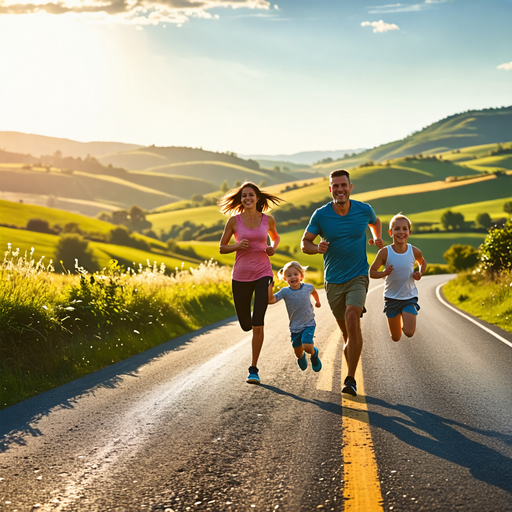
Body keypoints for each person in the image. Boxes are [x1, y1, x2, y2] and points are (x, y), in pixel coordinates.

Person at [301, 169, 384, 396]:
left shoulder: (364, 210)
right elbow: (304, 243)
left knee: (352, 318)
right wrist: (316, 248)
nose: (339, 189)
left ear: (350, 187)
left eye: (343, 185)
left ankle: (350, 379)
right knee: (347, 334)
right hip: (333, 281)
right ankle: (351, 372)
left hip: (358, 276)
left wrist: (376, 236)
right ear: (330, 189)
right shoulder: (321, 215)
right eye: (335, 186)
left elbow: (375, 222)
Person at [219, 181, 283, 385]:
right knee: (246, 324)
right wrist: (237, 245)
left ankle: (253, 368)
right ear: (241, 199)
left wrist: (272, 247)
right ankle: (253, 321)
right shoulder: (233, 221)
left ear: (257, 198)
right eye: (244, 195)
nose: (247, 198)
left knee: (258, 323)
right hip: (240, 276)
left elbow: (275, 237)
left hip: (263, 272)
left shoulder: (268, 220)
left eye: (251, 195)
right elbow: (222, 247)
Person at [369, 213, 427, 341]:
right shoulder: (384, 252)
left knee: (409, 332)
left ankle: (406, 314)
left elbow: (422, 262)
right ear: (390, 232)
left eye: (404, 229)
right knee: (395, 337)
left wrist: (420, 273)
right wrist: (384, 273)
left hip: (409, 297)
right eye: (397, 229)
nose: (401, 232)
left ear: (409, 232)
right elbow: (372, 272)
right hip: (391, 298)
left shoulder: (414, 251)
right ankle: (398, 317)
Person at [268, 261, 322, 372]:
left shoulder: (308, 287)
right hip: (295, 327)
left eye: (295, 274)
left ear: (301, 276)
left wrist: (317, 301)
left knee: (307, 346)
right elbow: (271, 300)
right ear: (285, 279)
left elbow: (314, 292)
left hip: (308, 324)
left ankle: (313, 353)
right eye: (289, 275)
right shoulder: (285, 292)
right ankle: (301, 357)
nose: (293, 277)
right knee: (298, 353)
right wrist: (269, 287)